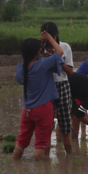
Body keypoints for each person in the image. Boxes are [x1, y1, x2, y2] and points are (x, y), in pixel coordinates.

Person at [13, 32, 63, 160]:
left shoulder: (20, 67)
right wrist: (51, 39)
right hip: (43, 108)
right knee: (41, 142)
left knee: (22, 140)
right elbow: (60, 52)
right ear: (38, 51)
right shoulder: (42, 64)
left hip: (27, 109)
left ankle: (16, 165)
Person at [41, 22, 74, 155]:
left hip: (62, 85)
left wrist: (57, 58)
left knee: (65, 124)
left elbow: (70, 71)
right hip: (46, 86)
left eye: (51, 39)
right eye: (46, 40)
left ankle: (70, 157)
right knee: (47, 124)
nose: (49, 43)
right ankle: (46, 157)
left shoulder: (64, 47)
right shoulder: (39, 49)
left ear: (56, 35)